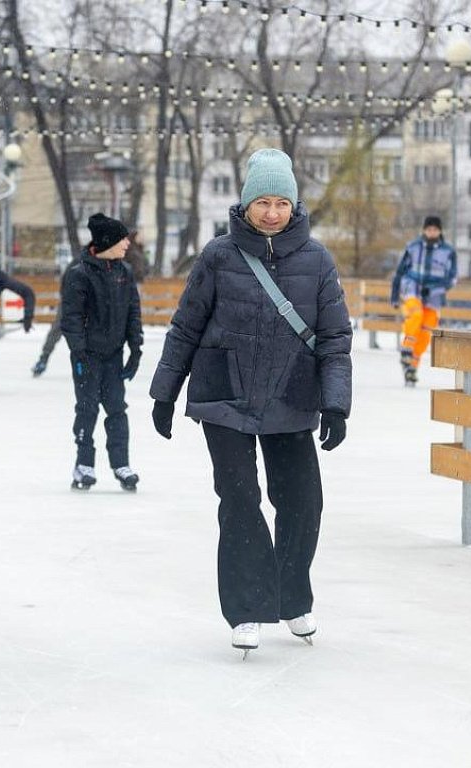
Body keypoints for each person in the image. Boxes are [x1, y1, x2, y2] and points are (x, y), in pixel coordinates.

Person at [149, 148, 352, 654]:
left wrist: (336, 404)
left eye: (281, 202)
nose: (272, 212)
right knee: (240, 500)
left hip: (291, 393)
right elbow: (186, 327)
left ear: (293, 204)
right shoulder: (218, 256)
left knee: (303, 501)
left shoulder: (316, 260)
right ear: (245, 204)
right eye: (262, 201)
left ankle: (290, 595)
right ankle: (246, 606)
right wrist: (164, 394)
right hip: (225, 394)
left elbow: (334, 339)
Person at [62, 212, 143, 491]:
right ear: (108, 241)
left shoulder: (124, 272)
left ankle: (121, 464)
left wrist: (136, 349)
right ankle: (83, 465)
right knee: (87, 409)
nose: (127, 245)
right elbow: (71, 318)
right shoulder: (79, 274)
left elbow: (133, 312)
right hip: (87, 357)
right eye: (123, 240)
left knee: (117, 410)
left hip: (113, 356)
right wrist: (79, 352)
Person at [33, 230, 148, 377]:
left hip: (98, 302)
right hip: (76, 298)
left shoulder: (125, 255)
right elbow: (69, 274)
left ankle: (98, 365)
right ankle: (44, 358)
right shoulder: (88, 256)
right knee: (60, 326)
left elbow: (139, 272)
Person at [389, 216, 457, 386]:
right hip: (412, 289)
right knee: (415, 315)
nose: (431, 232)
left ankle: (412, 367)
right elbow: (399, 272)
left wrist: (436, 289)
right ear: (424, 230)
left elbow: (451, 278)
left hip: (434, 296)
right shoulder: (413, 247)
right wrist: (395, 295)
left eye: (435, 229)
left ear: (440, 231)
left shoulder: (448, 252)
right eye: (429, 229)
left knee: (426, 331)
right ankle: (406, 349)